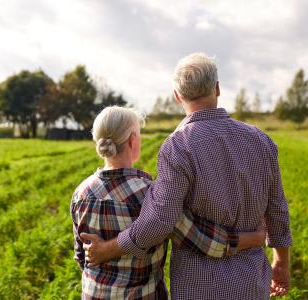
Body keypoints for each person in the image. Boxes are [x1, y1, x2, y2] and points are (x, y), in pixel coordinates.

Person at [81, 53, 292, 299]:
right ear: (217, 88)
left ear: (177, 96)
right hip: (251, 282)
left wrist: (107, 249)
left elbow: (159, 221)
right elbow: (277, 210)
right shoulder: (261, 141)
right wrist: (281, 264)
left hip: (198, 286)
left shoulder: (178, 146)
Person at [72, 106, 266, 299]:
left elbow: (81, 257)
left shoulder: (81, 193)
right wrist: (253, 238)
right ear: (132, 140)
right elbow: (201, 240)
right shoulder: (151, 194)